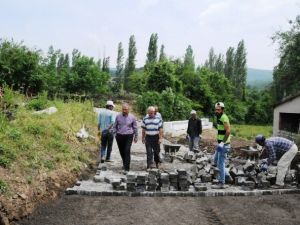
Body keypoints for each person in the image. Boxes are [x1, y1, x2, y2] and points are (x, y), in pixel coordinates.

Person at [113, 103, 138, 174]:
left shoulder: (132, 117)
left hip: (129, 136)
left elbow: (135, 127)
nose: (124, 111)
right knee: (121, 151)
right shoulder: (118, 116)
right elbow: (115, 126)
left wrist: (136, 136)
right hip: (119, 136)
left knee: (127, 150)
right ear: (122, 109)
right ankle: (124, 163)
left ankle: (127, 168)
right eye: (123, 109)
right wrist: (115, 134)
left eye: (126, 109)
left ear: (128, 110)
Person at [212, 102, 231, 189]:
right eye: (216, 109)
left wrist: (222, 143)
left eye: (218, 110)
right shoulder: (218, 117)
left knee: (220, 163)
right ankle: (227, 175)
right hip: (220, 144)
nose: (217, 111)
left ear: (222, 110)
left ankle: (221, 182)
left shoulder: (224, 118)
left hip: (224, 145)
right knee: (215, 160)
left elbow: (228, 131)